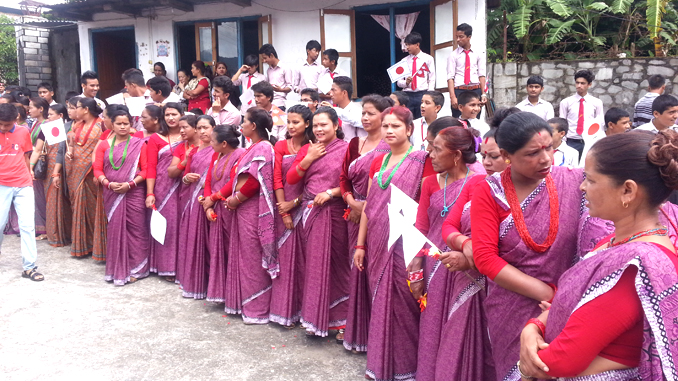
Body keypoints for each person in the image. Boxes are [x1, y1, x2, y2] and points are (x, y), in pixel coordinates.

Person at [517, 130, 678, 380]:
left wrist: (525, 363)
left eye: (590, 180)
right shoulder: (617, 243)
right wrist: (533, 326)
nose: (582, 187)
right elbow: (568, 301)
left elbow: (556, 363)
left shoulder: (636, 266)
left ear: (627, 191)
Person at [469, 112, 594, 380]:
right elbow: (485, 257)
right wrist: (549, 294)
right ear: (506, 155)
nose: (546, 158)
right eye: (533, 153)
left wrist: (565, 298)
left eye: (549, 147)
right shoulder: (489, 191)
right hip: (513, 303)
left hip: (570, 303)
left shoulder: (573, 181)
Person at [353, 106, 436, 380]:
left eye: (395, 126)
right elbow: (367, 206)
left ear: (409, 129)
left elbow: (426, 206)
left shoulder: (423, 160)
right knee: (380, 302)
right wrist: (360, 245)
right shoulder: (378, 160)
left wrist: (420, 250)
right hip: (377, 240)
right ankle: (379, 364)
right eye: (385, 126)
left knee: (404, 304)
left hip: (406, 242)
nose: (388, 131)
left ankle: (406, 366)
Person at [414, 126, 488, 381]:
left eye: (436, 149)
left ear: (456, 155)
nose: (430, 154)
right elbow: (421, 226)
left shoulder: (480, 181)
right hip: (433, 262)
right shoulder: (428, 183)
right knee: (432, 324)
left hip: (464, 266)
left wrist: (468, 253)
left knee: (459, 325)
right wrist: (415, 267)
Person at [208, 107, 277, 324]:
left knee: (252, 258)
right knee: (245, 257)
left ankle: (257, 309)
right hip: (244, 208)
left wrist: (236, 199)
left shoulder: (263, 147)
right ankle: (246, 303)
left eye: (245, 121)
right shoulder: (254, 146)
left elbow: (254, 182)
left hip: (251, 208)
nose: (242, 125)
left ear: (253, 126)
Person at [285, 107, 349, 336]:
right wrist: (309, 158)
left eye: (324, 125)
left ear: (336, 125)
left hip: (334, 212)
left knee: (338, 266)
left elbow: (352, 183)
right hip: (310, 212)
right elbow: (291, 178)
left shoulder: (346, 150)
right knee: (314, 267)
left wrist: (331, 192)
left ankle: (342, 320)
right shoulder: (307, 149)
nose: (319, 129)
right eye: (316, 126)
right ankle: (315, 318)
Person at [340, 94, 392, 350]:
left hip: (380, 218)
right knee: (355, 271)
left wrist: (367, 207)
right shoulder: (354, 144)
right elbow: (343, 179)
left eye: (371, 113)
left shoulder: (392, 146)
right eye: (363, 113)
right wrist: (352, 201)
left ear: (385, 115)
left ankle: (379, 333)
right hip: (353, 214)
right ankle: (357, 331)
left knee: (376, 273)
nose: (365, 117)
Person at [269, 104, 313, 327]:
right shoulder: (280, 145)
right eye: (289, 122)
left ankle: (306, 312)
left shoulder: (313, 147)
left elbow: (315, 182)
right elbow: (277, 178)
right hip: (283, 208)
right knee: (286, 262)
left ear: (307, 123)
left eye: (296, 122)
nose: (292, 126)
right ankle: (285, 311)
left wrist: (294, 205)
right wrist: (283, 208)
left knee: (305, 262)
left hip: (306, 209)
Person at [93, 109, 149, 285]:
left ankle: (138, 268)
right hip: (111, 192)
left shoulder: (139, 144)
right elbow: (97, 168)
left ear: (131, 124)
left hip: (133, 192)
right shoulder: (104, 144)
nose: (123, 126)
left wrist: (130, 184)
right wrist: (107, 183)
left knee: (136, 229)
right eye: (119, 123)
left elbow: (147, 169)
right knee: (115, 230)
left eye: (126, 123)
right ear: (112, 125)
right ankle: (118, 268)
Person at [169, 115, 215, 298]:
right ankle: (194, 282)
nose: (203, 131)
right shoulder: (194, 151)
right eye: (200, 128)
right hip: (192, 200)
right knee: (194, 239)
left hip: (210, 199)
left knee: (209, 242)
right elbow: (185, 175)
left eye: (206, 127)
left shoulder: (218, 149)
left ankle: (210, 283)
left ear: (214, 128)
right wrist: (186, 178)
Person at [0, 104, 44, 281]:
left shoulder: (24, 131)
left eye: (7, 124)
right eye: (1, 124)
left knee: (27, 226)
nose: (3, 128)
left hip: (23, 183)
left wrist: (29, 175)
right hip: (1, 184)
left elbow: (26, 156)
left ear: (16, 119)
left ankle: (29, 267)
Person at [202, 124, 245, 302]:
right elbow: (208, 180)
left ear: (224, 143)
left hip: (230, 208)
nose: (209, 143)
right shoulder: (216, 155)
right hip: (215, 209)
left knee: (231, 250)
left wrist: (214, 198)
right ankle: (220, 291)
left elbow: (234, 182)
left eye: (212, 140)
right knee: (216, 250)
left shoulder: (241, 155)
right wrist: (207, 204)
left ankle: (234, 293)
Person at [145, 103, 184, 281]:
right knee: (167, 226)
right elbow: (151, 167)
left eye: (174, 114)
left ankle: (183, 267)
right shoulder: (156, 138)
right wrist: (150, 193)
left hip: (184, 187)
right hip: (163, 187)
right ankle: (166, 267)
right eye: (167, 115)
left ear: (182, 115)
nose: (170, 118)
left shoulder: (189, 135)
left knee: (182, 226)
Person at [65, 97, 104, 258]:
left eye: (77, 107)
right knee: (78, 207)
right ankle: (82, 244)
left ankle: (97, 245)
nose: (75, 110)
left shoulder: (100, 124)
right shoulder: (77, 124)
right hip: (75, 169)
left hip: (90, 172)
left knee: (92, 207)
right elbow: (72, 142)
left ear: (86, 109)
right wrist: (70, 148)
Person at [43, 104, 72, 247]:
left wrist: (57, 172)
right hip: (50, 168)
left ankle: (63, 234)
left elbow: (60, 151)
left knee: (61, 201)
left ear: (60, 116)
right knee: (52, 200)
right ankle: (55, 234)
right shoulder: (48, 128)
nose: (48, 117)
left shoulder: (66, 128)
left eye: (51, 115)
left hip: (60, 168)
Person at [558, 69, 604, 158]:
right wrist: (563, 141)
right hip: (571, 141)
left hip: (588, 141)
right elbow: (562, 122)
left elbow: (600, 122)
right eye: (577, 83)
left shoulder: (596, 102)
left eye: (583, 83)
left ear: (589, 84)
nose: (579, 86)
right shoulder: (566, 102)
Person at [447, 23, 487, 118]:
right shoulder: (453, 55)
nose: (458, 40)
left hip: (475, 90)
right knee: (458, 121)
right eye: (457, 37)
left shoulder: (478, 53)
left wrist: (483, 94)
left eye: (461, 37)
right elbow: (450, 77)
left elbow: (481, 75)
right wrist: (453, 97)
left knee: (474, 119)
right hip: (459, 91)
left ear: (469, 37)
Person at [396, 32, 436, 119]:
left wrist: (429, 94)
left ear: (417, 45)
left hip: (422, 94)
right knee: (407, 119)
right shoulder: (404, 61)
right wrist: (406, 83)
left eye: (409, 45)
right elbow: (399, 82)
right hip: (407, 94)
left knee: (422, 119)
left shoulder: (428, 59)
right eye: (406, 45)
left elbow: (431, 78)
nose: (407, 47)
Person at [27, 97, 50, 240]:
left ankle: (46, 229)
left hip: (40, 163)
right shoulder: (36, 123)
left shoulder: (46, 125)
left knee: (41, 196)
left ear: (40, 109)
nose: (29, 110)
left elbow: (39, 148)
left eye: (31, 107)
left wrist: (30, 166)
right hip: (33, 160)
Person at [327, 76, 363, 141]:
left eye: (333, 90)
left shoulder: (356, 111)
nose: (330, 94)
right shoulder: (333, 111)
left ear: (344, 93)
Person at [260, 44, 293, 109]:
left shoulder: (285, 68)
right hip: (269, 103)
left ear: (272, 55)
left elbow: (290, 87)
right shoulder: (269, 70)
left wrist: (280, 90)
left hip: (280, 104)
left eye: (265, 58)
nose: (264, 61)